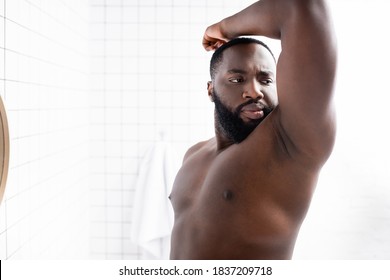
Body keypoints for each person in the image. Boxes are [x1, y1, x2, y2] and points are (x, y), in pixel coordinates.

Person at [169, 0, 337, 259]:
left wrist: (223, 28)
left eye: (266, 80)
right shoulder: (193, 154)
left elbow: (300, 6)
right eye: (237, 79)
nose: (254, 91)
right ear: (210, 90)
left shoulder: (290, 144)